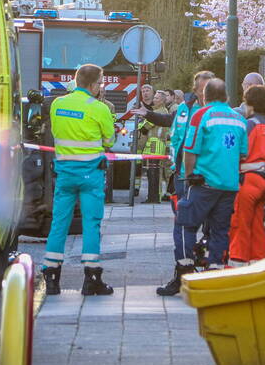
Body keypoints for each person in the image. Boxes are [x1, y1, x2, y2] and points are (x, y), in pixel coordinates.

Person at [132, 71, 216, 294]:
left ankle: (209, 274)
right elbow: (172, 123)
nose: (206, 93)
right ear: (196, 89)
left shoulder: (214, 112)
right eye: (203, 89)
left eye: (210, 88)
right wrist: (149, 114)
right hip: (183, 176)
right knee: (182, 226)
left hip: (206, 177)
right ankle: (183, 273)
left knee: (212, 227)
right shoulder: (185, 108)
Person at [42, 63, 117, 296]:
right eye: (101, 83)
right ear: (94, 85)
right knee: (91, 223)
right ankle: (91, 278)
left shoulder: (58, 104)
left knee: (59, 224)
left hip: (64, 173)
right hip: (91, 175)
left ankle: (51, 277)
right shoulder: (99, 108)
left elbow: (56, 133)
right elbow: (110, 141)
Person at [174, 78, 248, 276]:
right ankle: (214, 270)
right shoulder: (239, 119)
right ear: (227, 96)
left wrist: (189, 176)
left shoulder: (201, 115)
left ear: (205, 97)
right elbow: (242, 154)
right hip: (229, 185)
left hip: (203, 183)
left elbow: (190, 150)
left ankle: (185, 269)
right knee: (219, 231)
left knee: (185, 225)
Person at [228, 85, 265, 266]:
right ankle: (259, 265)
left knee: (240, 225)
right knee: (258, 227)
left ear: (250, 103)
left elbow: (239, 152)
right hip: (263, 181)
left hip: (247, 180)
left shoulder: (250, 124)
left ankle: (237, 266)